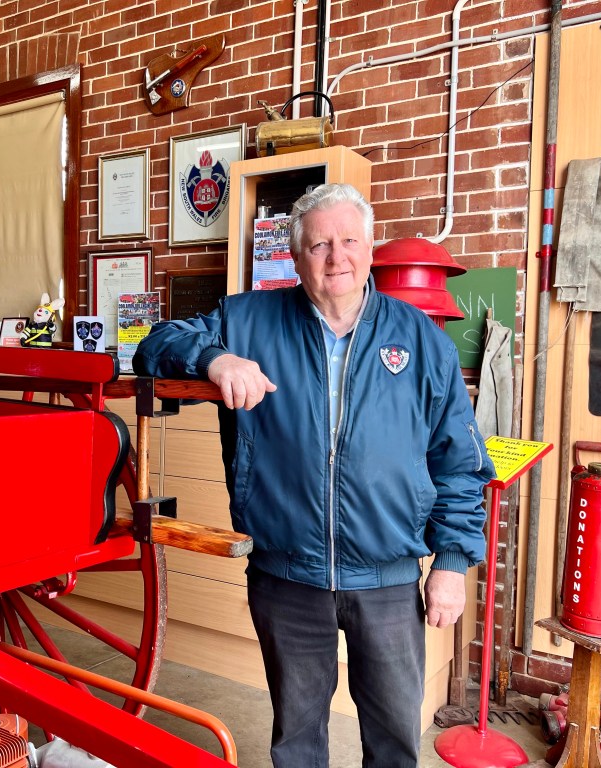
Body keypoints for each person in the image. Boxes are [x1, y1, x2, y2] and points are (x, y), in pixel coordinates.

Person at [134, 183, 494, 767]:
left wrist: (452, 565)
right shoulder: (247, 320)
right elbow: (154, 345)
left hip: (387, 576)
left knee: (395, 741)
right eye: (319, 243)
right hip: (287, 575)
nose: (336, 256)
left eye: (350, 240)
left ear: (370, 247)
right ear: (295, 255)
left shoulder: (422, 340)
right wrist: (214, 358)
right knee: (297, 739)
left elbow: (458, 462)